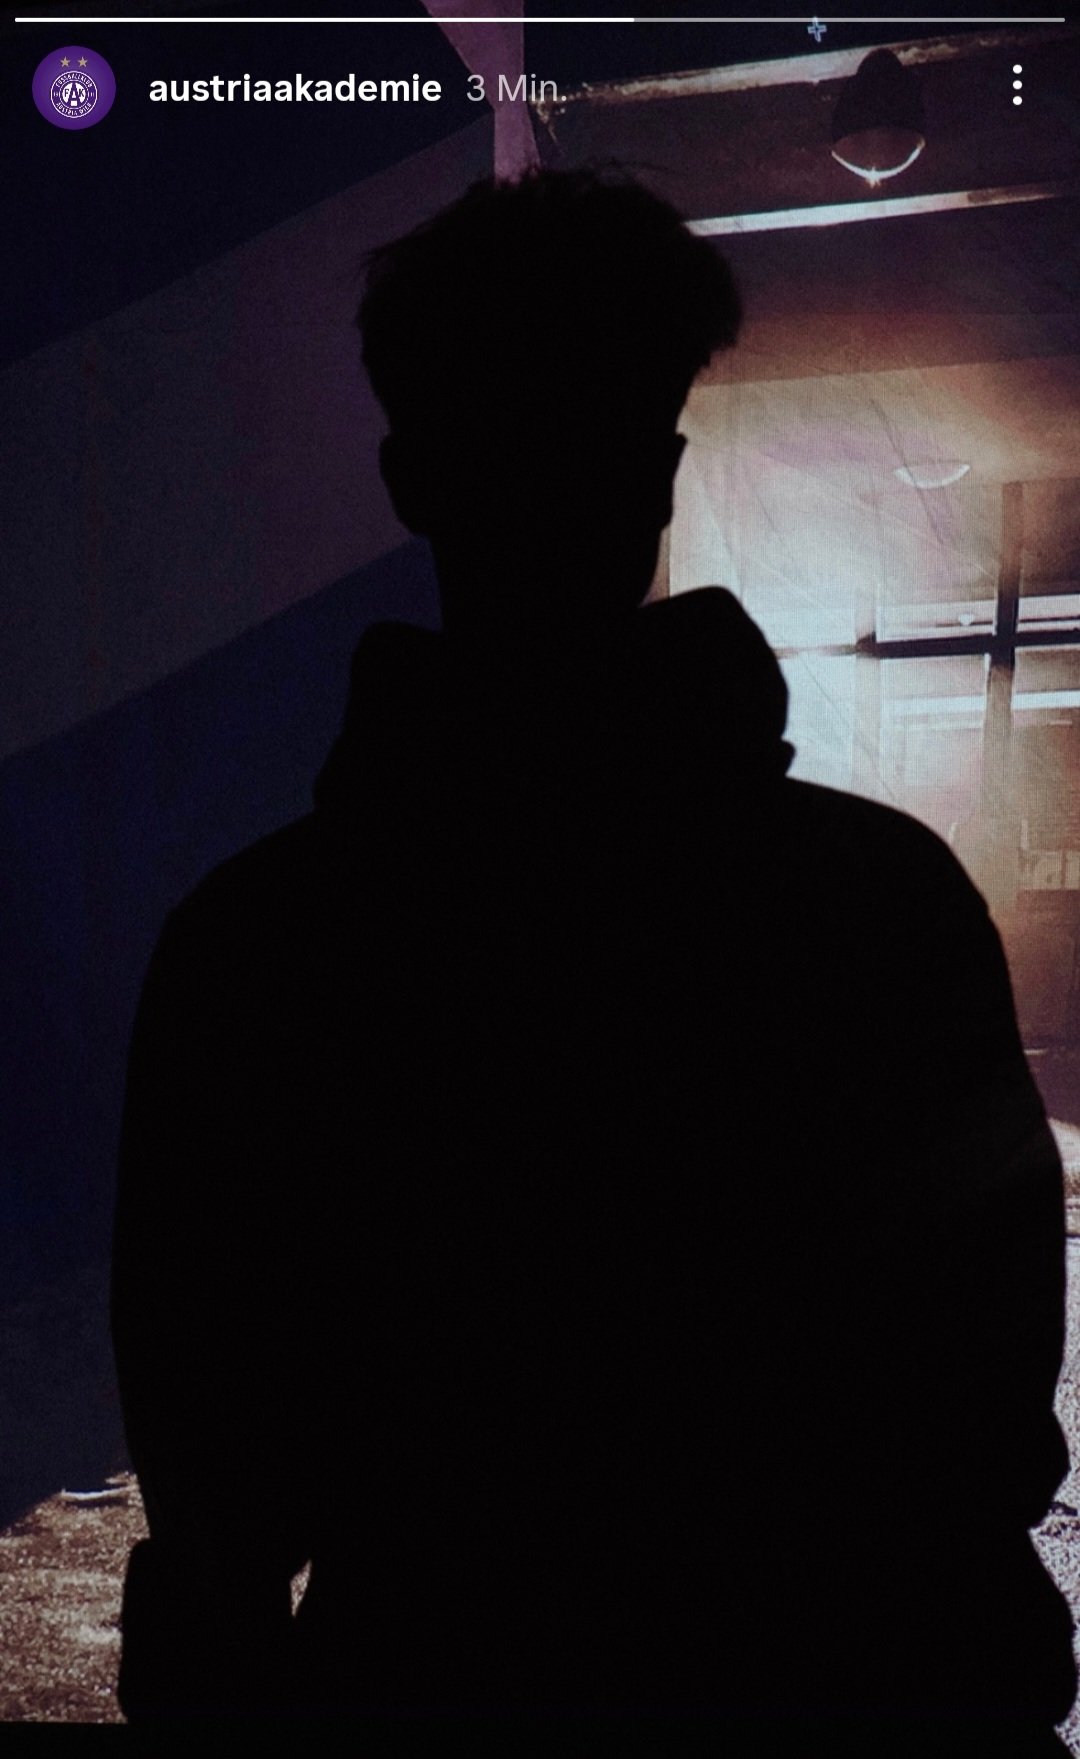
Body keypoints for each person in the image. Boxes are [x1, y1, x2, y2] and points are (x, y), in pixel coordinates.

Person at [112, 168, 1075, 1752]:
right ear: (662, 473)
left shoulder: (260, 946)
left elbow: (219, 1495)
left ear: (411, 477)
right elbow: (977, 1425)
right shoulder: (879, 903)